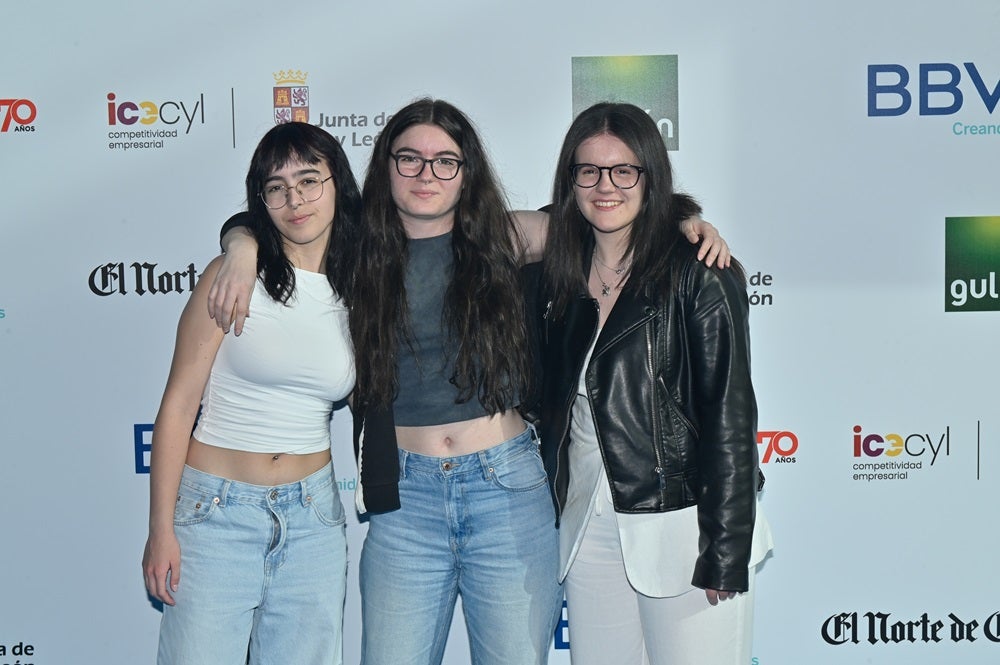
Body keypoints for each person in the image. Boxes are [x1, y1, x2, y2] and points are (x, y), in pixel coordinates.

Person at [207, 98, 730, 665]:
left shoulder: (506, 237)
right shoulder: (352, 251)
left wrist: (685, 218)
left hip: (507, 493)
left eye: (445, 161)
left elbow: (606, 210)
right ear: (385, 167)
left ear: (466, 171)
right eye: (409, 159)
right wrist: (240, 243)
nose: (426, 174)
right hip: (405, 507)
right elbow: (274, 217)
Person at [536, 102, 773, 665]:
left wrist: (724, 549)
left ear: (650, 176)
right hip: (590, 528)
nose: (605, 186)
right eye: (588, 171)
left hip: (685, 528)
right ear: (570, 181)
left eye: (624, 171)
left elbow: (730, 418)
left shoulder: (699, 271)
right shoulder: (558, 273)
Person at [142, 121, 361, 665]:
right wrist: (161, 529)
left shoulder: (362, 286)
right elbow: (177, 406)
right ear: (261, 200)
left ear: (338, 185)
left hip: (314, 520)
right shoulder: (234, 276)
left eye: (310, 180)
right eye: (277, 188)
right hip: (216, 517)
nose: (296, 200)